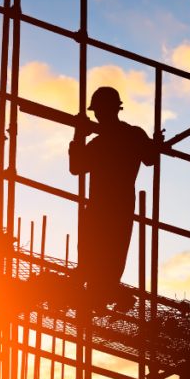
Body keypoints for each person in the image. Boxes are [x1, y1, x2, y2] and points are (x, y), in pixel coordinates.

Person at [69, 87, 158, 306]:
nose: (98, 116)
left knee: (98, 258)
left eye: (98, 111)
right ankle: (100, 294)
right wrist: (154, 144)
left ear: (107, 110)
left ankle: (97, 295)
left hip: (102, 207)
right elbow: (150, 158)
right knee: (110, 256)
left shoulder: (101, 143)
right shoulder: (132, 135)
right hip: (120, 207)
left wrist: (78, 135)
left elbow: (76, 167)